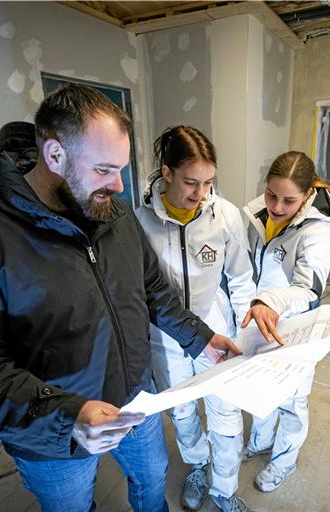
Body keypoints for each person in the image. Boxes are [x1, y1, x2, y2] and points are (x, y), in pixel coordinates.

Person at [0, 85, 241, 512]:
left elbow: (153, 289)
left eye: (120, 169)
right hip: (52, 439)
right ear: (54, 154)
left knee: (152, 479)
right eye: (104, 169)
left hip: (136, 402)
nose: (118, 186)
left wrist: (201, 338)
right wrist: (66, 418)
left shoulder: (115, 215)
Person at [136, 126, 256, 512]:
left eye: (208, 182)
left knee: (226, 412)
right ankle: (199, 465)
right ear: (166, 173)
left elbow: (241, 277)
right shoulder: (139, 222)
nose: (200, 193)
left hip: (214, 328)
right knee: (182, 412)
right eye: (191, 182)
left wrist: (247, 331)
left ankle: (223, 489)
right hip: (165, 338)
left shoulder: (225, 216)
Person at [240, 151, 330, 492]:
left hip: (295, 325)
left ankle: (283, 461)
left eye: (288, 201)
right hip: (260, 320)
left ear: (308, 194)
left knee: (292, 400)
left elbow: (308, 289)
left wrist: (270, 301)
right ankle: (260, 441)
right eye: (271, 195)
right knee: (261, 388)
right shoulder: (256, 214)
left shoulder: (318, 231)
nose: (276, 207)